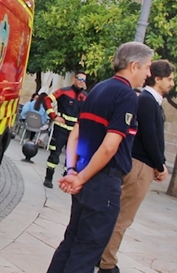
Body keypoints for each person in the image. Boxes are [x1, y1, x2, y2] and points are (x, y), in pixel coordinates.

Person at [46, 42, 153, 273]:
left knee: (71, 242)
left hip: (86, 178)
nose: (149, 74)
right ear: (134, 66)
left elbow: (77, 132)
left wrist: (73, 170)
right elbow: (109, 146)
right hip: (102, 182)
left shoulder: (98, 89)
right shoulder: (126, 96)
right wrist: (80, 177)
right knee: (87, 251)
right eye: (147, 67)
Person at [97, 60, 175, 273]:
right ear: (157, 78)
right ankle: (107, 263)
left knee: (119, 215)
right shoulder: (148, 101)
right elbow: (150, 137)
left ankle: (103, 256)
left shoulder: (150, 101)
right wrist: (160, 165)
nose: (172, 83)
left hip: (142, 164)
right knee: (123, 218)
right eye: (169, 79)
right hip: (141, 166)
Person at [42, 71, 88, 189]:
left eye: (84, 80)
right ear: (74, 79)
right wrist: (54, 116)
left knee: (71, 157)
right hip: (61, 129)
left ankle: (66, 179)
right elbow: (47, 100)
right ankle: (48, 178)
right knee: (55, 154)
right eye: (79, 79)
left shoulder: (85, 97)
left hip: (75, 132)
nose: (81, 82)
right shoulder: (64, 91)